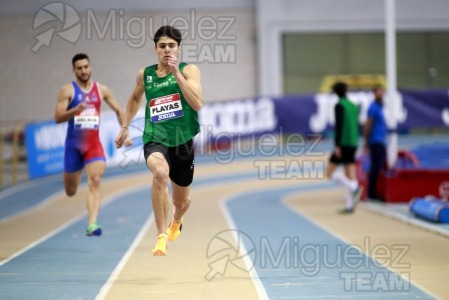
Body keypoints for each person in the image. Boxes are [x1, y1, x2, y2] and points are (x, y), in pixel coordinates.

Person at [115, 25, 203, 256]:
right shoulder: (145, 75)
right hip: (155, 138)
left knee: (181, 202)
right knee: (160, 173)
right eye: (162, 46)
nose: (167, 50)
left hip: (183, 141)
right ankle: (161, 235)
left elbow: (197, 104)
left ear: (179, 49)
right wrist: (124, 126)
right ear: (155, 49)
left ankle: (176, 221)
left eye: (171, 46)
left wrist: (176, 75)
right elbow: (134, 99)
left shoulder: (189, 70)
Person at [54, 53, 126, 236]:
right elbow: (57, 117)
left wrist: (125, 130)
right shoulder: (67, 91)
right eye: (79, 68)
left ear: (90, 67)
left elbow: (118, 109)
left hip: (93, 145)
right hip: (73, 146)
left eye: (86, 67)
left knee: (95, 180)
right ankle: (75, 186)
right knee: (71, 191)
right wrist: (73, 110)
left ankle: (92, 224)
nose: (83, 71)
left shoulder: (101, 90)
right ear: (74, 70)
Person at [325, 81, 363, 214]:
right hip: (353, 142)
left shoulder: (339, 105)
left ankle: (354, 187)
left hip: (343, 143)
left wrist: (337, 145)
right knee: (350, 174)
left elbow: (339, 125)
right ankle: (350, 206)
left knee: (329, 172)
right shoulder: (353, 106)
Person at [363, 85, 387, 200]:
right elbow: (368, 125)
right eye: (378, 91)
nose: (381, 93)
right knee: (375, 168)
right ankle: (371, 193)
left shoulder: (380, 107)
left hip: (380, 140)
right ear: (374, 93)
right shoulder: (373, 108)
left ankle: (373, 192)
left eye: (382, 91)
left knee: (378, 167)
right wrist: (367, 141)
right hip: (375, 141)